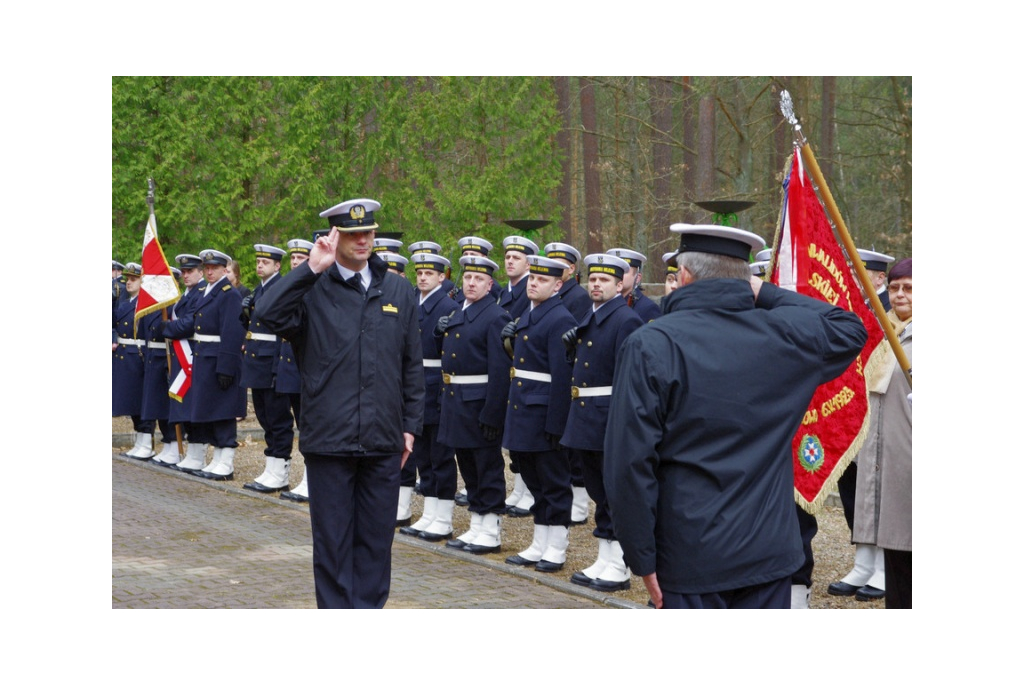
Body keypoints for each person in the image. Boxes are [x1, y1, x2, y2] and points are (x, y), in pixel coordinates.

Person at [604, 224, 867, 609]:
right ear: (746, 279)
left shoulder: (652, 344)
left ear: (685, 276)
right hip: (769, 552)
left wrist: (641, 557)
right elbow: (849, 326)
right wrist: (764, 292)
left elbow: (628, 463)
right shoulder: (783, 336)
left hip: (690, 554)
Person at [259, 197, 424, 609]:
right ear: (334, 237)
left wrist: (410, 427)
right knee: (332, 543)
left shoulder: (398, 290)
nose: (364, 240)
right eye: (354, 234)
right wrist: (311, 267)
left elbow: (412, 366)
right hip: (329, 439)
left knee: (375, 543)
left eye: (369, 232)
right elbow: (266, 312)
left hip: (384, 439)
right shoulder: (313, 289)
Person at [561, 253, 643, 591]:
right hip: (585, 413)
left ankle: (620, 564)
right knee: (598, 491)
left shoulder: (626, 320)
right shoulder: (589, 315)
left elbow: (629, 378)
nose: (596, 284)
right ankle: (605, 556)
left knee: (613, 494)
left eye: (605, 280)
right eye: (593, 279)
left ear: (620, 284)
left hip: (608, 415)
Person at [828, 247, 896, 602]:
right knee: (854, 489)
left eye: (860, 273)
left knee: (880, 490)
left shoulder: (891, 312)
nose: (852, 277)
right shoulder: (853, 307)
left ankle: (885, 565)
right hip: (852, 410)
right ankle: (863, 561)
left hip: (882, 410)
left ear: (880, 278)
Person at [502, 255, 577, 573]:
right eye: (532, 278)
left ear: (558, 284)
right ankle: (540, 543)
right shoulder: (530, 313)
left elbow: (562, 376)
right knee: (534, 480)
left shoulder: (559, 318)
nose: (533, 283)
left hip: (544, 410)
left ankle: (557, 547)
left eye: (542, 280)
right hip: (524, 408)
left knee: (553, 482)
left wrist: (556, 423)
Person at [435, 255, 512, 554]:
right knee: (467, 466)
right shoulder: (459, 311)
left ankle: (490, 528)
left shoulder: (495, 316)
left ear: (490, 284)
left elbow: (499, 371)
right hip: (456, 402)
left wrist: (493, 414)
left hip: (479, 404)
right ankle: (477, 523)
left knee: (486, 467)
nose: (471, 283)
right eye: (467, 278)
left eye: (478, 279)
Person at [852, 257, 912, 609]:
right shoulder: (881, 332)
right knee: (896, 561)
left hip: (910, 460)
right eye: (894, 288)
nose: (900, 295)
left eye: (909, 289)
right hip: (882, 457)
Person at [398, 251, 459, 538]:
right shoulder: (414, 301)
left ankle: (443, 517)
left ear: (441, 276)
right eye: (419, 273)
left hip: (436, 385)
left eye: (429, 273)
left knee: (440, 454)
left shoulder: (447, 306)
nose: (422, 277)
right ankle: (430, 512)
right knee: (422, 453)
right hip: (416, 382)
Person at [182, 249, 247, 479]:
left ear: (223, 269)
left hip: (220, 357)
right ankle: (218, 458)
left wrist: (226, 366)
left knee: (224, 411)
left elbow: (232, 331)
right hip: (205, 357)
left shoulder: (228, 293)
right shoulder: (207, 291)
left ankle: (226, 461)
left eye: (214, 268)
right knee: (211, 410)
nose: (210, 271)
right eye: (207, 268)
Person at [240, 244, 297, 494]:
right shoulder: (259, 290)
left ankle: (280, 470)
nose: (260, 265)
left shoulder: (280, 288)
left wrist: (276, 369)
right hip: (257, 361)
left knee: (278, 419)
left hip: (271, 361)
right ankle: (271, 467)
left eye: (266, 262)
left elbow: (280, 335)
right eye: (258, 261)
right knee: (264, 416)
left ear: (277, 266)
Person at [543, 241, 592, 525]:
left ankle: (580, 500)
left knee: (572, 446)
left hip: (571, 372)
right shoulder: (553, 295)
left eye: (559, 264)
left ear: (571, 269)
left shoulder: (577, 297)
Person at [498, 234, 539, 516]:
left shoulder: (530, 291)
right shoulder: (505, 291)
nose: (510, 262)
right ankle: (519, 489)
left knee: (523, 437)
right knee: (513, 436)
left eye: (516, 258)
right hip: (505, 366)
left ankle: (526, 490)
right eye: (508, 257)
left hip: (522, 368)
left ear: (528, 264)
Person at [155, 254, 207, 468]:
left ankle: (198, 452)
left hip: (192, 355)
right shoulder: (186, 294)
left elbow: (189, 324)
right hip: (180, 354)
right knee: (183, 404)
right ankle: (189, 452)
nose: (186, 275)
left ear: (200, 272)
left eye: (190, 271)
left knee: (193, 404)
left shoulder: (202, 293)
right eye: (183, 272)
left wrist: (166, 328)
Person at [278, 238, 313, 502]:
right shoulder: (290, 288)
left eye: (300, 259)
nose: (295, 263)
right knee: (301, 426)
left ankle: (312, 479)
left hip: (309, 370)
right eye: (293, 259)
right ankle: (306, 476)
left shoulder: (313, 287)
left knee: (310, 427)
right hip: (291, 367)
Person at [113, 262, 155, 458]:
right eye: (127, 279)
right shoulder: (126, 302)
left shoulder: (146, 305)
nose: (128, 283)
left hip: (139, 355)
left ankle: (146, 441)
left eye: (133, 279)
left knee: (142, 401)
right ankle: (139, 440)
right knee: (131, 402)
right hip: (124, 354)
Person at [605, 247, 661, 322]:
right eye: (615, 271)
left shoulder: (648, 308)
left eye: (624, 271)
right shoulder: (605, 303)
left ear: (637, 278)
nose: (618, 275)